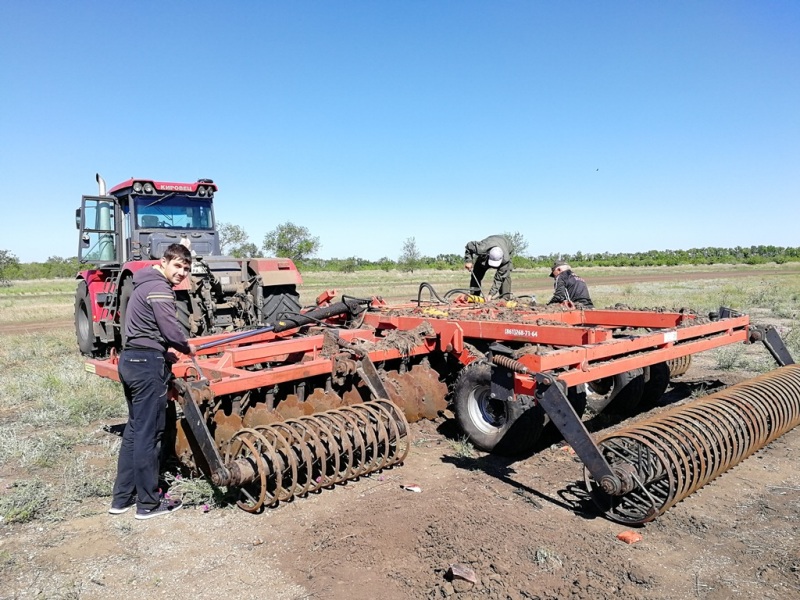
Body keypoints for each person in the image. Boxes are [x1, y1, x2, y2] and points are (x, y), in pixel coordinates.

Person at [110, 243, 197, 520]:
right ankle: (148, 503)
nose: (182, 273)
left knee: (135, 432)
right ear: (163, 262)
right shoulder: (159, 288)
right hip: (147, 367)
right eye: (178, 266)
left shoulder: (143, 283)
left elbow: (148, 329)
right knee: (150, 435)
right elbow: (170, 329)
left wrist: (164, 350)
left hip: (131, 360)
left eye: (186, 269)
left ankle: (122, 498)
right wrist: (186, 347)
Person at [463, 234, 513, 301]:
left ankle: (505, 298)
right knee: (476, 272)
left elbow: (499, 279)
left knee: (505, 275)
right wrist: (468, 261)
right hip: (488, 247)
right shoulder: (481, 248)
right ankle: (474, 296)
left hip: (506, 245)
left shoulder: (505, 260)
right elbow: (469, 246)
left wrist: (491, 294)